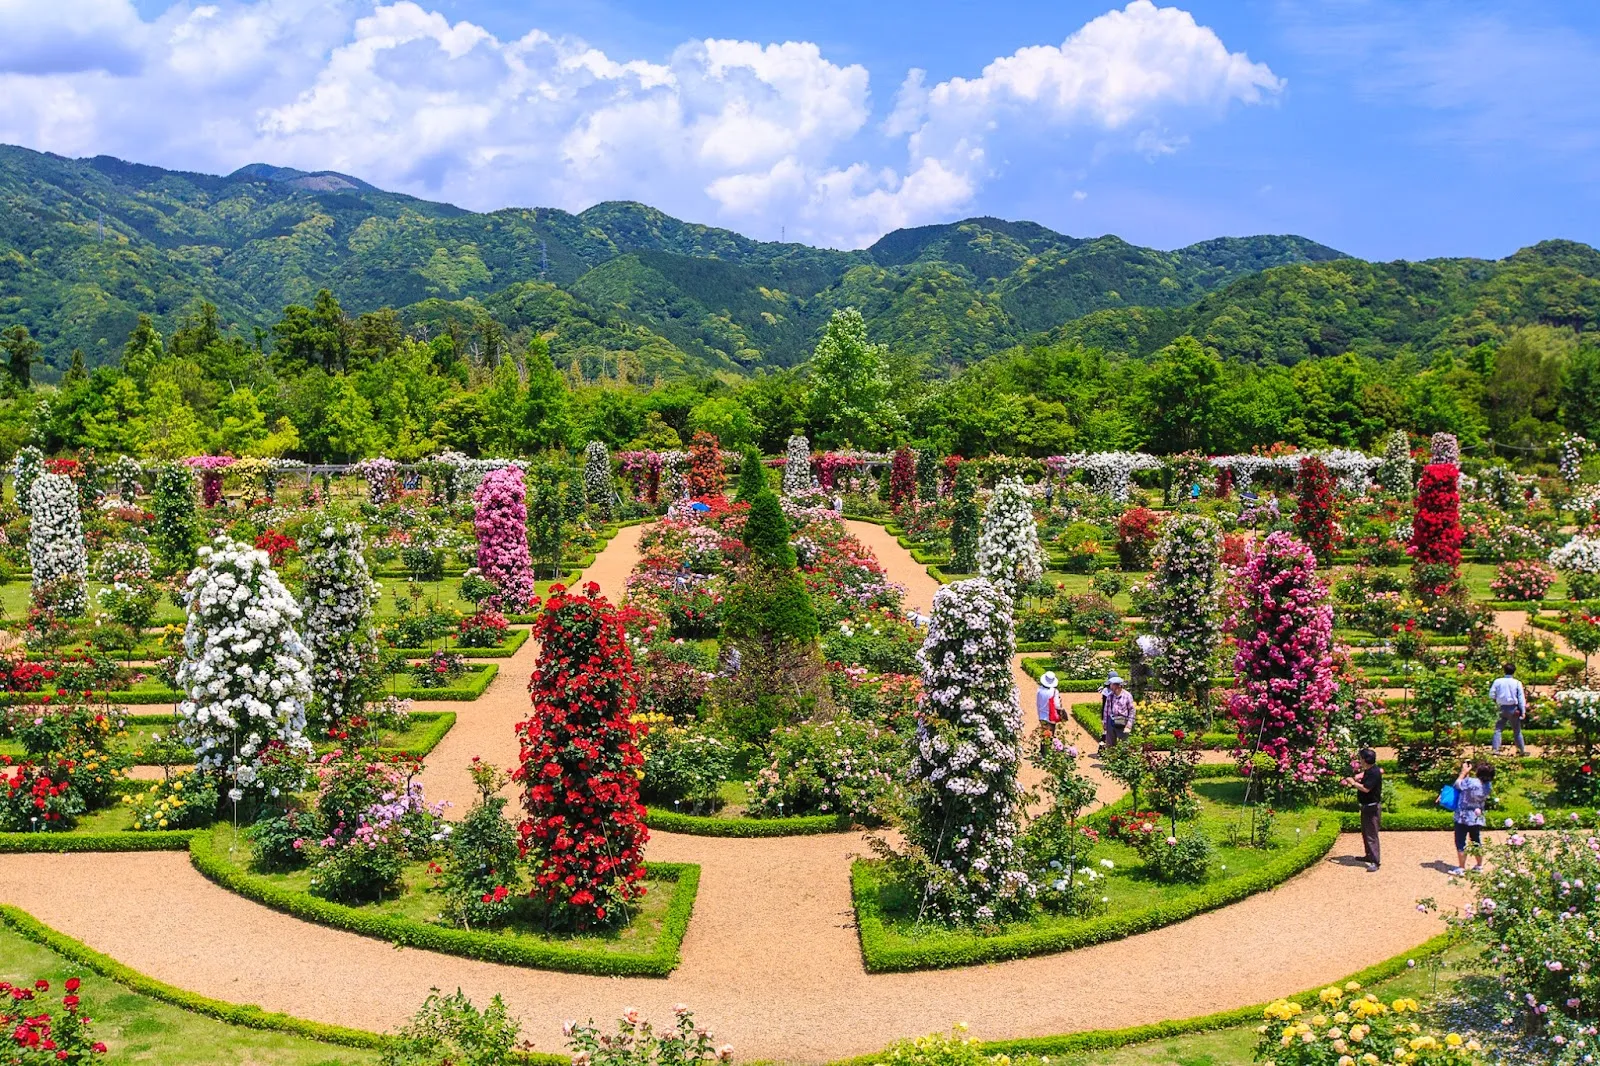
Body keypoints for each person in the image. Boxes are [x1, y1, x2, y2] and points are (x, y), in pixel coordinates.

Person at [1340, 749, 1383, 871]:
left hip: (1372, 807)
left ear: (1365, 759)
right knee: (1366, 832)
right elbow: (1365, 778)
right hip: (1366, 806)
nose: (1359, 760)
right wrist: (1358, 777)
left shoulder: (1374, 772)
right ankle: (1369, 855)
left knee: (1371, 835)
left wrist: (1353, 782)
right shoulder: (1370, 770)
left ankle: (1375, 861)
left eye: (1361, 758)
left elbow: (1366, 789)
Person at [1450, 760, 1494, 876]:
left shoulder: (1470, 782)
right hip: (1476, 816)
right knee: (1476, 841)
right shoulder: (1488, 785)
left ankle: (1461, 868)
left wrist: (1463, 772)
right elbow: (1468, 787)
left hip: (1463, 816)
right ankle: (1479, 866)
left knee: (1460, 841)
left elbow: (1458, 784)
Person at [1489, 664, 1527, 755]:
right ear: (1514, 671)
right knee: (1517, 730)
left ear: (1504, 671)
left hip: (1500, 707)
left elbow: (1491, 694)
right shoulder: (1517, 683)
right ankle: (1521, 750)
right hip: (1513, 708)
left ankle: (1495, 750)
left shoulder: (1498, 681)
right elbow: (1521, 698)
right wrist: (1523, 711)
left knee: (1498, 729)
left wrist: (1496, 702)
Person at [1102, 674, 1136, 748]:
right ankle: (1110, 758)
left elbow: (1132, 710)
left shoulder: (1127, 696)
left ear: (1118, 686)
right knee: (1110, 745)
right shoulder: (1110, 696)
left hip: (1123, 722)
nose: (1110, 686)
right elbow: (1106, 710)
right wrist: (1105, 723)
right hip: (1111, 721)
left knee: (1124, 745)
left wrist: (1129, 724)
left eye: (1111, 685)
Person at [1036, 671, 1061, 738]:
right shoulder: (1054, 691)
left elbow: (1038, 703)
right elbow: (1057, 705)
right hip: (1050, 716)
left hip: (1042, 715)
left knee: (1044, 737)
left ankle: (1043, 748)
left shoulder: (1039, 690)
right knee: (1050, 737)